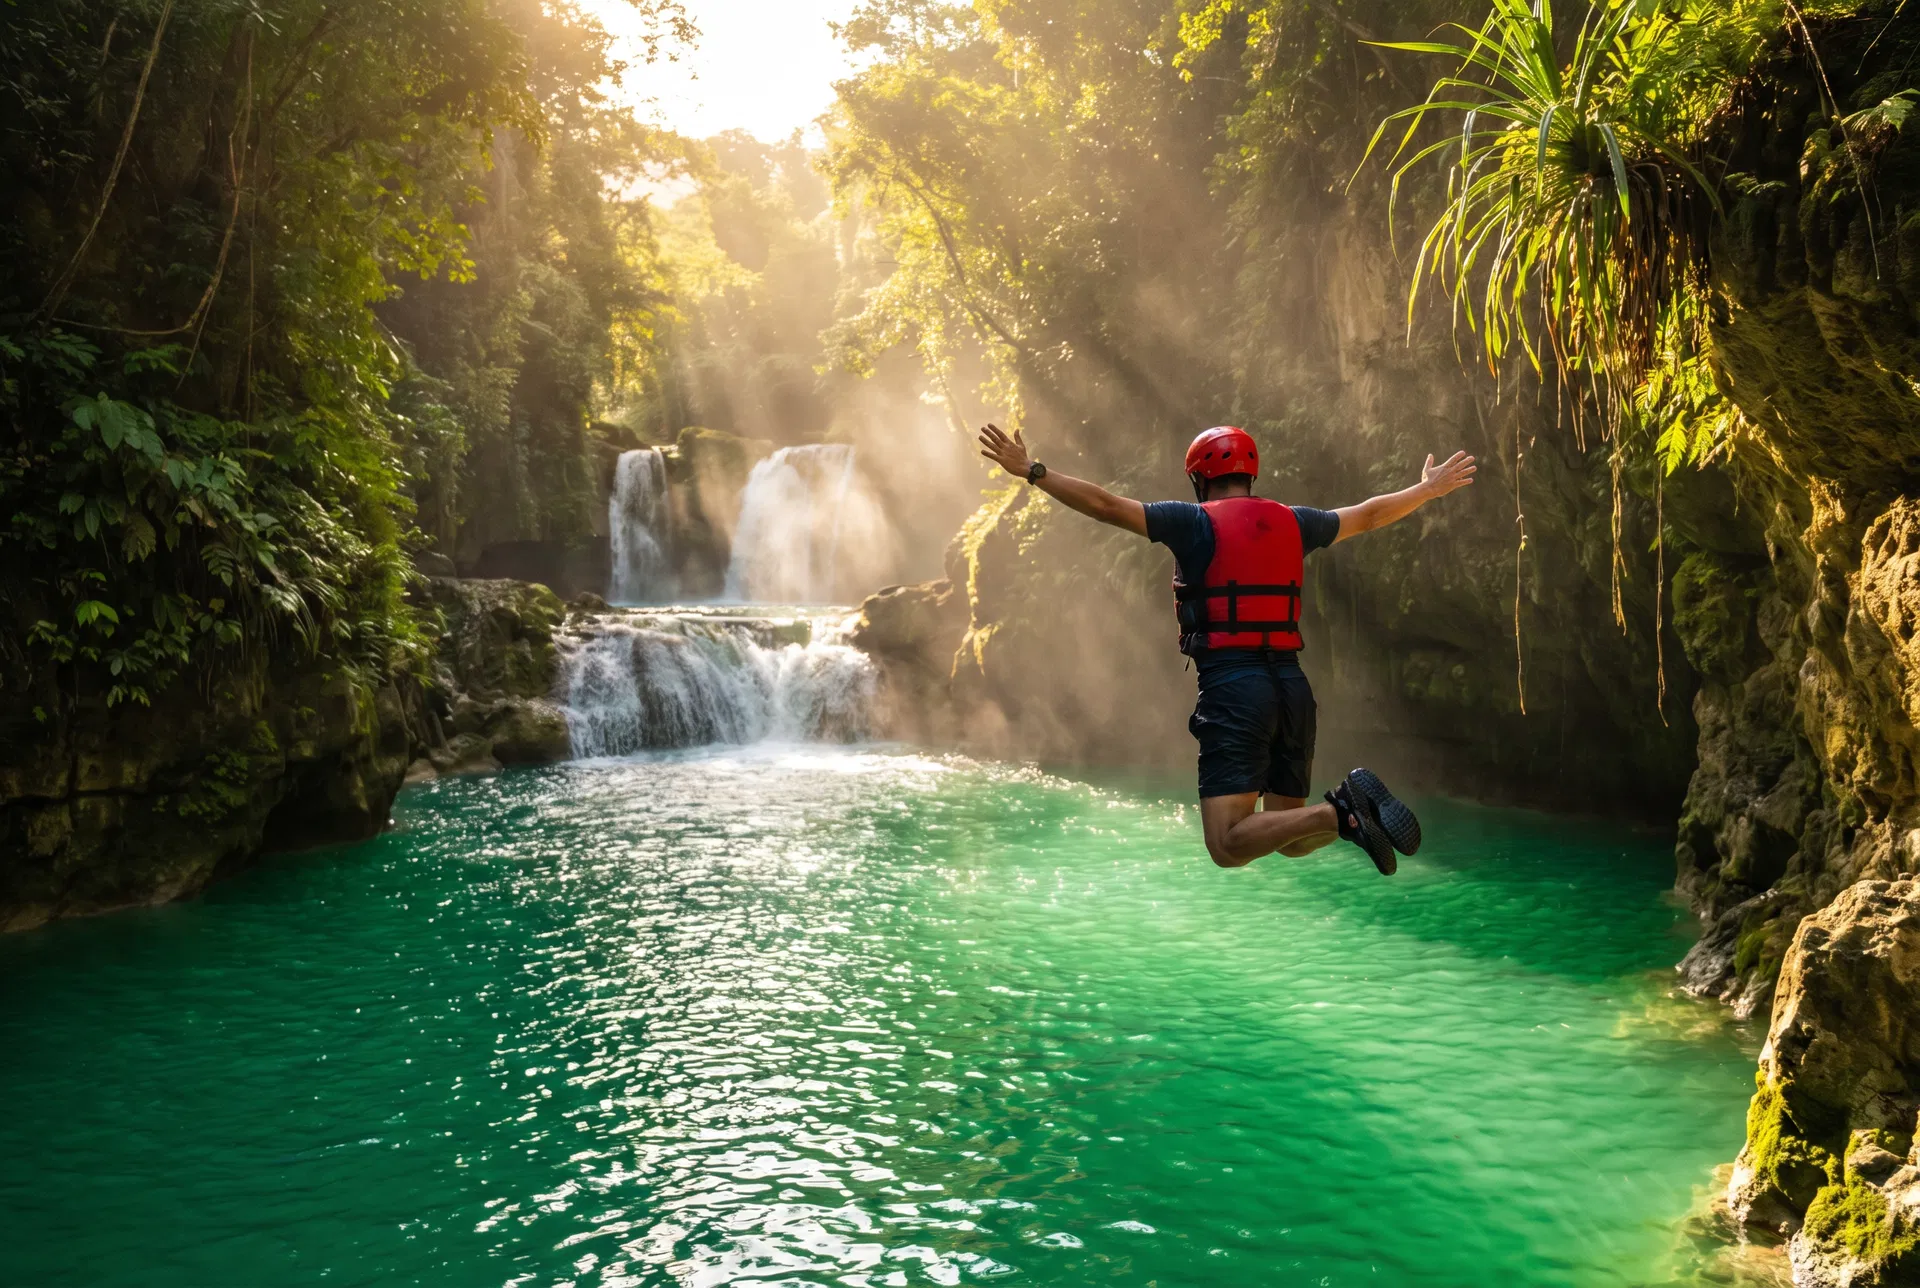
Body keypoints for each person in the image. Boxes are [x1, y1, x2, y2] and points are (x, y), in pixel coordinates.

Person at [975, 422, 1476, 875]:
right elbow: (1366, 516)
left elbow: (1106, 505)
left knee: (1228, 843)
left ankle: (1340, 810)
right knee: (1290, 837)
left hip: (1236, 688)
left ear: (1199, 479)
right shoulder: (1295, 521)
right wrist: (1427, 490)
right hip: (1291, 689)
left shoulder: (1192, 523)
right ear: (1251, 476)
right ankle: (1350, 817)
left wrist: (1032, 471)